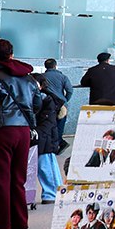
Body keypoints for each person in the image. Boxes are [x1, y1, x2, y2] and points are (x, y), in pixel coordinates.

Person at [0, 39, 43, 229]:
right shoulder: (27, 78)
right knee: (18, 179)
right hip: (23, 131)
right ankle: (19, 224)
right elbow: (37, 103)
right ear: (12, 55)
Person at [31, 73, 65, 202]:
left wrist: (37, 133)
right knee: (44, 165)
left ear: (41, 86)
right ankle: (52, 193)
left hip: (45, 137)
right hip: (38, 135)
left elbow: (48, 122)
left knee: (46, 165)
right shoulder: (29, 98)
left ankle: (53, 193)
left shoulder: (47, 99)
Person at [42, 58, 73, 146]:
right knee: (60, 125)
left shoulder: (42, 77)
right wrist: (65, 100)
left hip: (46, 104)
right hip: (61, 105)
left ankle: (50, 144)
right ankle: (58, 142)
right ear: (55, 66)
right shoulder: (62, 77)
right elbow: (70, 90)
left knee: (48, 125)